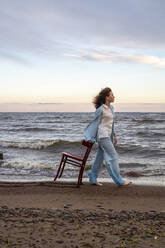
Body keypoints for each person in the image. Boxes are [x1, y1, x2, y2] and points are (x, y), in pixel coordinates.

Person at [84, 87, 132, 186]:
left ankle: (92, 176)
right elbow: (95, 123)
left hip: (108, 135)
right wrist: (92, 136)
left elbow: (111, 123)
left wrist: (114, 135)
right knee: (113, 156)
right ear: (107, 97)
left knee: (99, 158)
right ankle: (119, 180)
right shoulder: (100, 109)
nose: (114, 96)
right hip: (102, 136)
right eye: (112, 95)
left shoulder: (111, 108)